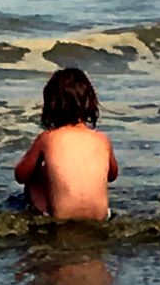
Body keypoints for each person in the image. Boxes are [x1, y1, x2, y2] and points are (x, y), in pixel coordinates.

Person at [11, 65, 120, 220]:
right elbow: (112, 175)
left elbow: (21, 175)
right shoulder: (102, 140)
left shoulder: (48, 138)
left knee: (34, 178)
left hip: (62, 218)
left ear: (51, 105)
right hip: (101, 217)